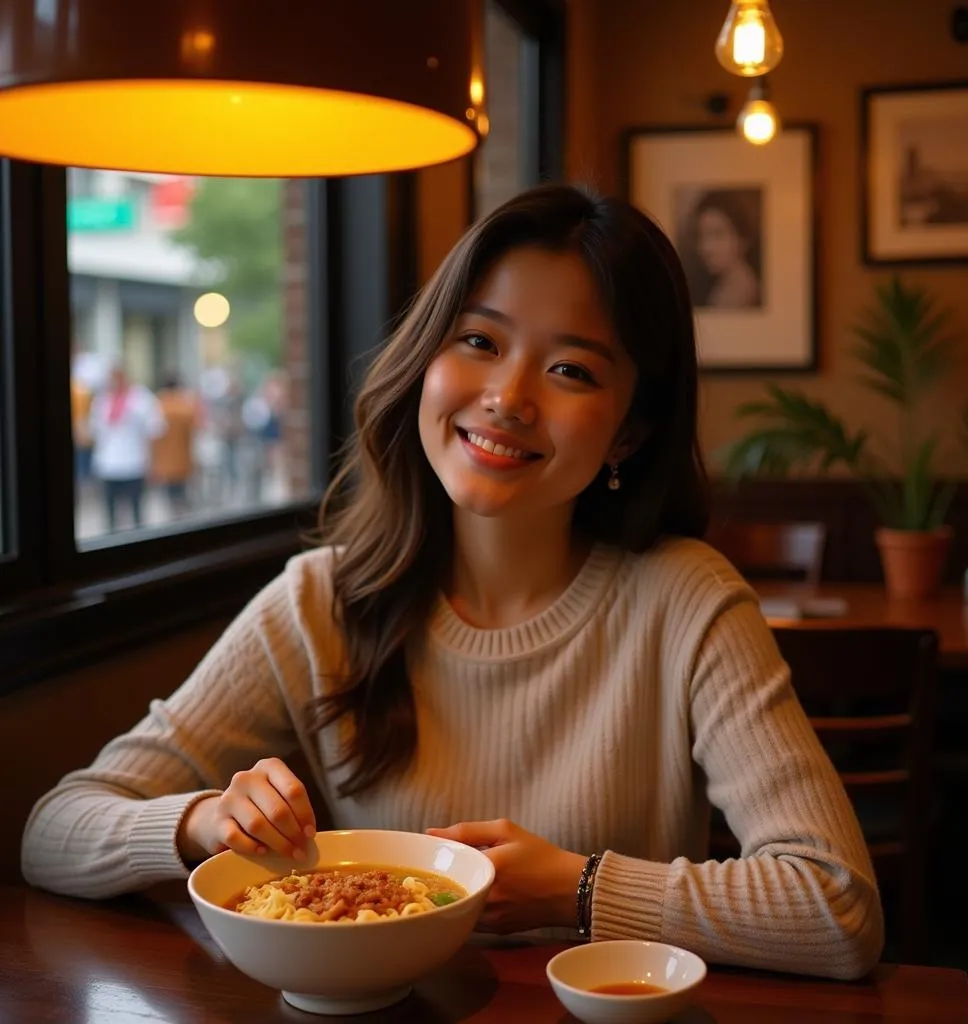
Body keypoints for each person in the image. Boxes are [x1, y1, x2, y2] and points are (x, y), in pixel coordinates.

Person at [22, 184, 883, 980]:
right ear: (428, 358)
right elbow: (54, 830)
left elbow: (836, 906)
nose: (507, 397)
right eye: (479, 340)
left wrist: (577, 890)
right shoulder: (320, 601)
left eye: (571, 370)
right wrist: (203, 822)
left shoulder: (688, 601)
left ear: (628, 431)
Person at [88, 365, 167, 530]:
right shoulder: (102, 400)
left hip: (134, 463)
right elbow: (94, 430)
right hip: (108, 464)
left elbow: (154, 430)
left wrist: (153, 463)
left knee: (136, 512)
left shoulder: (141, 398)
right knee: (110, 513)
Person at [679, 189, 762, 309]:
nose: (705, 247)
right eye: (701, 235)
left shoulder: (741, 292)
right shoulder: (724, 284)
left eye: (717, 234)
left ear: (742, 238)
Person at [150, 372, 201, 517]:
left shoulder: (159, 406)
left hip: (164, 463)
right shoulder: (186, 407)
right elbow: (193, 435)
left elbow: (154, 437)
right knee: (181, 497)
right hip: (184, 461)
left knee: (170, 500)